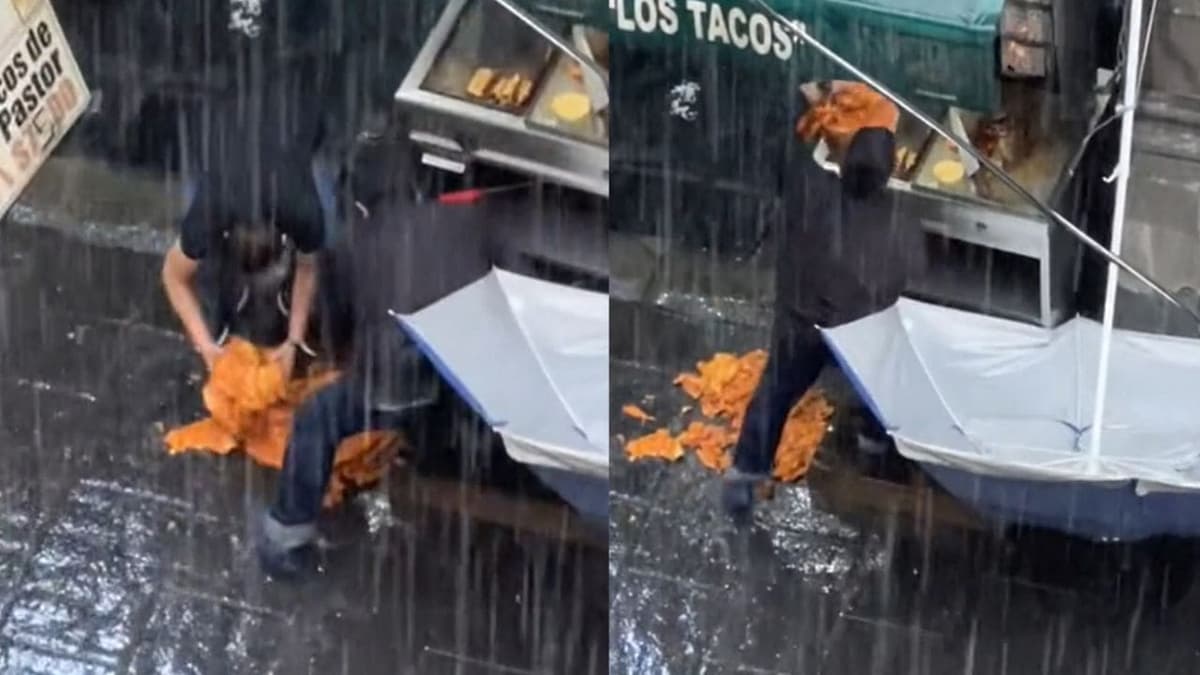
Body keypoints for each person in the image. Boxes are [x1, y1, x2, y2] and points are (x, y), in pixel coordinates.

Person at [255, 134, 497, 577]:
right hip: (464, 384)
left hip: (392, 387)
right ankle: (446, 449)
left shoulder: (349, 246)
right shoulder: (462, 223)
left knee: (317, 418)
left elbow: (337, 334)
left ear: (361, 203)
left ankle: (286, 538)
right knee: (444, 406)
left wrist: (342, 361)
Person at [721, 81, 927, 519]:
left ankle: (744, 478)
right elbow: (905, 279)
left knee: (774, 395)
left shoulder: (806, 186)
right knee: (877, 389)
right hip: (852, 332)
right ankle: (874, 447)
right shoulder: (894, 220)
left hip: (799, 320)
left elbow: (791, 152)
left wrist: (807, 98)